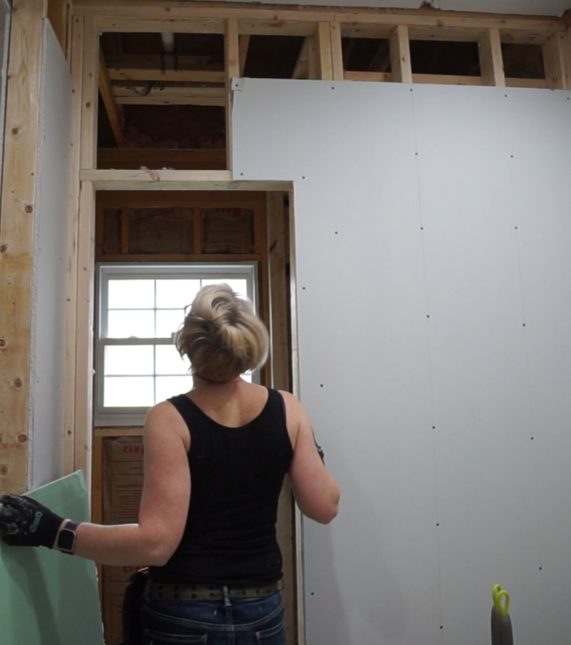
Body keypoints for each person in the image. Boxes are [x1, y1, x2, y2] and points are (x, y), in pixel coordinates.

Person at [0, 283, 340, 644]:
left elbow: (155, 545)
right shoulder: (288, 408)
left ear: (188, 346)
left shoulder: (170, 418)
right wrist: (303, 444)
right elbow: (325, 506)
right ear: (249, 346)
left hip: (185, 614)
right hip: (261, 609)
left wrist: (51, 529)